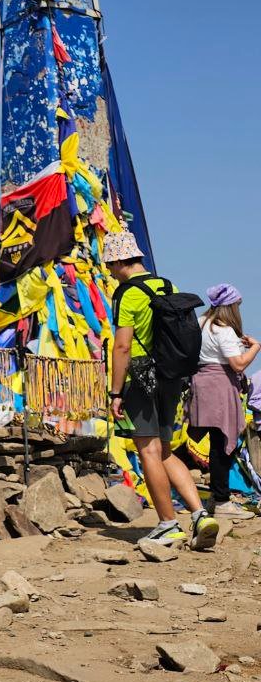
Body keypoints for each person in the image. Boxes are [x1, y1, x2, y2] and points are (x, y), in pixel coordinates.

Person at [104, 231, 219, 550]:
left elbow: (123, 346)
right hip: (171, 376)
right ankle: (199, 515)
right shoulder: (168, 286)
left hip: (141, 377)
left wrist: (115, 392)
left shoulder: (127, 293)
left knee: (148, 451)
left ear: (119, 260)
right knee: (165, 449)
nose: (110, 272)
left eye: (110, 265)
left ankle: (168, 525)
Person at [188, 283, 260, 519]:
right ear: (231, 306)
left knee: (215, 443)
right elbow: (238, 364)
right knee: (222, 445)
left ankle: (215, 498)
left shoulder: (200, 323)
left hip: (201, 384)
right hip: (219, 387)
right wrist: (256, 347)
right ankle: (222, 502)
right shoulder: (223, 329)